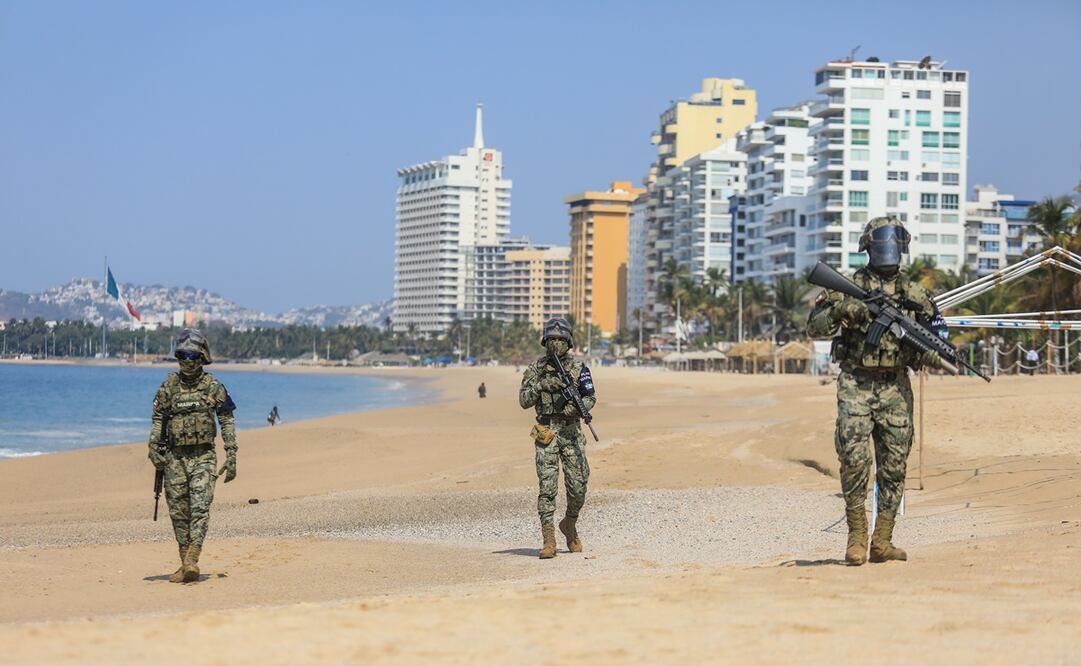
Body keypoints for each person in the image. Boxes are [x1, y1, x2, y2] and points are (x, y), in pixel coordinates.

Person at [807, 217, 947, 566]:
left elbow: (937, 334)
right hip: (856, 382)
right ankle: (856, 537)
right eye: (882, 242)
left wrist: (930, 351)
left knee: (894, 465)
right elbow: (814, 327)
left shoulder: (915, 294)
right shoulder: (845, 287)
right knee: (853, 459)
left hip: (895, 385)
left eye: (893, 242)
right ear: (867, 246)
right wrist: (843, 309)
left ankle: (882, 540)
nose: (888, 249)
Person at [147, 328, 238, 583]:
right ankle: (185, 562)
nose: (187, 362)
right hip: (175, 458)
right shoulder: (168, 387)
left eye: (192, 356)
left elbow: (226, 420)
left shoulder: (214, 387)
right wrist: (154, 447)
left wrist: (231, 454)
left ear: (202, 358)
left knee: (200, 508)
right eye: (182, 356)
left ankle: (192, 559)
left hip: (203, 457)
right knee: (178, 512)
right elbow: (157, 419)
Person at [518, 316, 596, 559]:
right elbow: (524, 401)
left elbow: (590, 397)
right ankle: (549, 538)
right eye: (552, 339)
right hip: (546, 432)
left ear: (569, 341)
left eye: (561, 339)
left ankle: (569, 523)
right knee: (547, 487)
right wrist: (542, 385)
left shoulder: (579, 369)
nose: (556, 343)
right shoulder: (535, 370)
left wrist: (577, 407)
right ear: (545, 341)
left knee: (578, 486)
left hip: (572, 432)